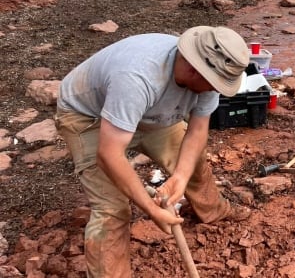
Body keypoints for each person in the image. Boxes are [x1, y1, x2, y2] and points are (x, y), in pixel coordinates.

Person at [55, 25, 251, 276]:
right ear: (194, 69)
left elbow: (198, 131)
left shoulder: (209, 76)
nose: (216, 90)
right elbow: (109, 154)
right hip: (87, 116)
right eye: (214, 85)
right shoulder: (138, 77)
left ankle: (213, 211)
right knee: (112, 209)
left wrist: (180, 176)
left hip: (151, 113)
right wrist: (150, 208)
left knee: (193, 164)